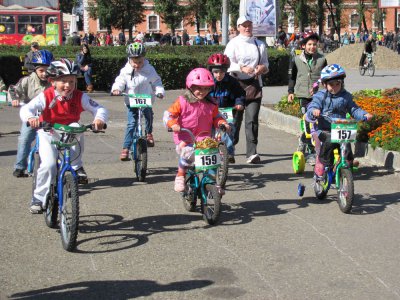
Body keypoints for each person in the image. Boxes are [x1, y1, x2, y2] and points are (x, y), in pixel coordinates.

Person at [20, 58, 108, 213]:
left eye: (72, 82)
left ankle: (76, 165)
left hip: (69, 132)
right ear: (52, 81)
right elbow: (27, 109)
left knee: (76, 127)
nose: (68, 86)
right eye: (63, 81)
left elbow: (99, 108)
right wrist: (31, 118)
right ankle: (39, 197)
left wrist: (99, 119)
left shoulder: (80, 96)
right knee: (48, 165)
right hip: (48, 132)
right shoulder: (46, 96)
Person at [163, 68, 230, 192]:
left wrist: (222, 123)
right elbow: (169, 114)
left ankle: (211, 182)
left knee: (213, 155)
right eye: (199, 88)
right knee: (188, 154)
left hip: (204, 138)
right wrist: (172, 124)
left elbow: (216, 117)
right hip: (185, 137)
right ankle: (180, 175)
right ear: (190, 87)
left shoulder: (211, 103)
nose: (203, 92)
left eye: (206, 88)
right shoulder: (182, 101)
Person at [306, 64, 373, 179]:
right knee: (329, 141)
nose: (335, 87)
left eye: (338, 84)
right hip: (324, 129)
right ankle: (322, 163)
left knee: (346, 144)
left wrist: (364, 115)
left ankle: (347, 163)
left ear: (342, 83)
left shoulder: (346, 96)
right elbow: (312, 106)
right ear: (324, 84)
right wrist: (314, 111)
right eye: (331, 84)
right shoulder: (320, 96)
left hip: (340, 128)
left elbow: (354, 109)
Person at [224, 16, 269, 164]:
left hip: (254, 86)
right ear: (238, 28)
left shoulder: (259, 44)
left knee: (252, 120)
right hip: (236, 86)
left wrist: (261, 68)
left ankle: (252, 152)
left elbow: (266, 65)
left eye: (249, 25)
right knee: (235, 120)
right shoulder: (233, 44)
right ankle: (230, 147)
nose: (247, 28)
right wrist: (241, 67)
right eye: (244, 26)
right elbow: (227, 64)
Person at [111, 42, 165, 160]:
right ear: (129, 59)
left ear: (144, 59)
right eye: (134, 62)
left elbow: (156, 82)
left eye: (140, 62)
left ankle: (149, 133)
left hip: (145, 99)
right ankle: (126, 148)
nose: (137, 65)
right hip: (131, 100)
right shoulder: (125, 70)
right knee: (131, 124)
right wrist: (116, 89)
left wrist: (159, 91)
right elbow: (120, 81)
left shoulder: (149, 70)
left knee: (149, 114)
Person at [10, 50, 54, 178]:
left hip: (49, 116)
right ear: (35, 70)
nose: (45, 73)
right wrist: (15, 98)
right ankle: (20, 166)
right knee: (25, 138)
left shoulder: (54, 81)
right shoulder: (27, 81)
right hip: (32, 115)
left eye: (48, 70)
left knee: (60, 139)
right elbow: (13, 89)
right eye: (41, 70)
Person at [288, 30, 327, 164]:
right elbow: (292, 77)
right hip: (303, 95)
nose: (312, 47)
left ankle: (306, 141)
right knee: (308, 123)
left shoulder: (322, 59)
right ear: (303, 45)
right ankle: (311, 152)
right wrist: (290, 91)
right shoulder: (297, 60)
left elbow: (326, 77)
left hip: (319, 96)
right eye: (309, 44)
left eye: (314, 44)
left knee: (319, 122)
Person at [207, 53, 245, 163]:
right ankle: (209, 152)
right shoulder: (207, 81)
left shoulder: (232, 82)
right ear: (211, 71)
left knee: (227, 130)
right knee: (209, 131)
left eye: (222, 72)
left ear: (226, 71)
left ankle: (229, 152)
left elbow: (240, 94)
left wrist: (239, 103)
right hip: (210, 111)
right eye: (216, 72)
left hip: (226, 111)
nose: (219, 75)